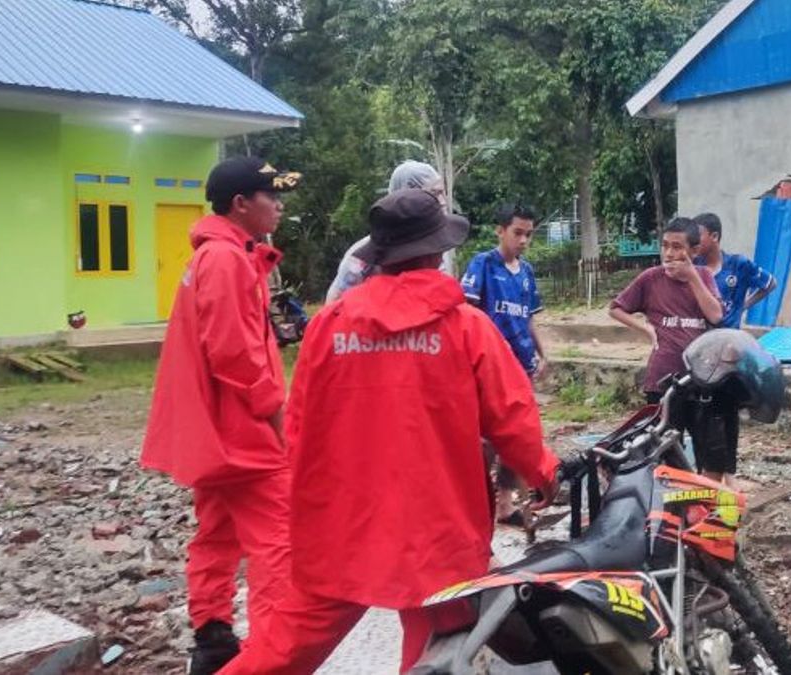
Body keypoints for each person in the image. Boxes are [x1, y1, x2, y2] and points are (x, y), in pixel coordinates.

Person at [220, 189, 560, 674]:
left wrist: (303, 504)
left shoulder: (328, 325)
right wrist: (544, 475)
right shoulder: (466, 327)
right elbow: (513, 420)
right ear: (437, 253)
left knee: (283, 649)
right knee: (435, 650)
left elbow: (298, 426)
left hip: (342, 522)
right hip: (434, 530)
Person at [141, 156, 300, 674]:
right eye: (270, 196)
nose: (278, 204)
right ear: (240, 204)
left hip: (214, 434)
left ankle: (213, 641)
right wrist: (276, 416)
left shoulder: (215, 257)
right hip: (243, 436)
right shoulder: (227, 261)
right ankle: (270, 657)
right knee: (277, 543)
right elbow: (234, 352)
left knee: (217, 534)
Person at [609, 218, 726, 481]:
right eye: (665, 246)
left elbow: (716, 315)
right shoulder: (651, 279)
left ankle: (703, 507)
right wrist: (646, 330)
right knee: (664, 450)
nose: (670, 254)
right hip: (663, 381)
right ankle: (669, 509)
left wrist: (692, 277)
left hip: (700, 379)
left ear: (694, 251)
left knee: (710, 450)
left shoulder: (704, 276)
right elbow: (616, 308)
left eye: (677, 247)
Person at [461, 202, 548, 527]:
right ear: (500, 231)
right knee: (485, 440)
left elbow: (528, 319)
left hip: (520, 365)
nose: (523, 240)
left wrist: (542, 353)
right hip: (488, 367)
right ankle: (477, 503)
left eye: (529, 234)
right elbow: (467, 313)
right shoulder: (483, 265)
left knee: (517, 435)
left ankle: (504, 503)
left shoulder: (525, 273)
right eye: (517, 233)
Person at [324, 160, 445, 303]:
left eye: (442, 193)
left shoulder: (436, 248)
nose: (442, 201)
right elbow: (335, 307)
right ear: (407, 193)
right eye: (435, 193)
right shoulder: (362, 257)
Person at [692, 212, 777, 328]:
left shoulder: (738, 264)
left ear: (714, 236)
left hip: (729, 338)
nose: (694, 242)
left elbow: (770, 283)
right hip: (700, 338)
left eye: (698, 236)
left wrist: (744, 305)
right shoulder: (693, 267)